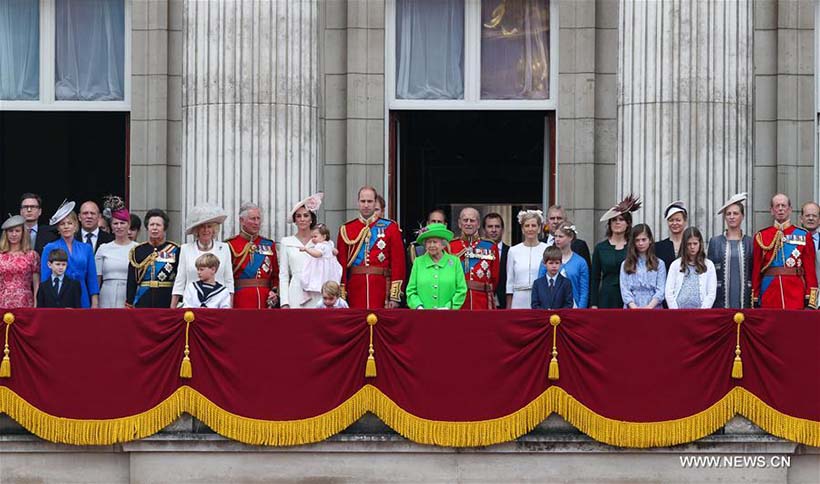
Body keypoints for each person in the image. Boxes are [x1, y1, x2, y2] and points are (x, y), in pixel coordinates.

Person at [337, 186, 406, 309]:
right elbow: (341, 265)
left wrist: (394, 296)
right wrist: (342, 294)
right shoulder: (346, 229)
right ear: (358, 203)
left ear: (375, 203)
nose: (366, 205)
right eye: (363, 201)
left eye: (369, 201)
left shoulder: (390, 227)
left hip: (382, 288)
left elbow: (398, 263)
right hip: (355, 289)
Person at [752, 194, 818, 309]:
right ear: (772, 211)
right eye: (777, 206)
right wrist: (755, 296)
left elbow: (810, 270)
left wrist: (810, 300)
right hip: (769, 292)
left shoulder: (803, 235)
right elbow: (756, 270)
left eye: (784, 205)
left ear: (790, 210)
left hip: (795, 293)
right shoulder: (761, 236)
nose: (781, 209)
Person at [171, 204, 233, 308]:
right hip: (192, 304)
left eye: (209, 226)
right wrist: (172, 308)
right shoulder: (186, 249)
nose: (206, 230)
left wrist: (229, 308)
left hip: (218, 305)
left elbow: (229, 281)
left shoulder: (224, 248)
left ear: (214, 229)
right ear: (196, 230)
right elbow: (180, 281)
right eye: (202, 227)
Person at [41, 201, 99, 308]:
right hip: (58, 295)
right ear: (58, 228)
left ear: (76, 225)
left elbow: (92, 277)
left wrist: (94, 302)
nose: (66, 227)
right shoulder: (50, 247)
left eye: (70, 223)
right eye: (62, 224)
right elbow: (45, 278)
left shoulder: (86, 248)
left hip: (82, 295)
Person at [226, 202, 279, 309]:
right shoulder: (230, 245)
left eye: (258, 219)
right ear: (242, 221)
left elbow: (275, 274)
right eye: (252, 219)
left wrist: (274, 292)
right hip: (240, 298)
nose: (256, 222)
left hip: (266, 300)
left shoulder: (269, 244)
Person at [591, 194, 641, 308]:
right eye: (614, 220)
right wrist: (593, 303)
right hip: (607, 296)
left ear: (628, 224)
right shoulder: (600, 248)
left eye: (621, 219)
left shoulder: (633, 246)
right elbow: (595, 278)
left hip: (631, 297)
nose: (617, 222)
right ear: (609, 224)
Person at [706, 193, 753, 309]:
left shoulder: (751, 242)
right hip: (719, 299)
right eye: (728, 214)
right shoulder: (715, 242)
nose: (732, 217)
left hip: (745, 298)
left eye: (735, 213)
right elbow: (709, 273)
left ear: (742, 216)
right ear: (725, 217)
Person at [447, 207, 499, 310]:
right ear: (459, 223)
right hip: (456, 301)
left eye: (472, 220)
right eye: (465, 220)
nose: (468, 223)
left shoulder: (490, 246)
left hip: (482, 301)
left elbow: (495, 278)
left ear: (478, 224)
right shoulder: (450, 246)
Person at [126, 209, 179, 308]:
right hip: (143, 298)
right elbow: (132, 280)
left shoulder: (175, 250)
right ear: (147, 228)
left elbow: (180, 278)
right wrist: (129, 301)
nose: (154, 228)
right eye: (152, 225)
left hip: (166, 299)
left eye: (158, 225)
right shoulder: (138, 251)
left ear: (164, 228)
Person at [406, 223, 466, 310]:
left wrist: (448, 307)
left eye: (435, 242)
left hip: (448, 316)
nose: (431, 245)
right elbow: (411, 291)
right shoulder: (418, 262)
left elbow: (461, 290)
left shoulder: (455, 262)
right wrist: (418, 307)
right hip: (423, 316)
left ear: (443, 244)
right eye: (428, 242)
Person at [280, 193, 324, 308]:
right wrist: (284, 302)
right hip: (295, 292)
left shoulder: (320, 242)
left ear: (311, 219)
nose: (302, 219)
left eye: (306, 215)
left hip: (317, 291)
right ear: (295, 220)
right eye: (298, 216)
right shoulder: (286, 242)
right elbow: (284, 275)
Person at [95, 197, 138, 308]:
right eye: (115, 223)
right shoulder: (103, 249)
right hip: (106, 294)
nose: (119, 226)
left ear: (128, 225)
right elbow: (97, 279)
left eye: (122, 223)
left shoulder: (137, 248)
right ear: (111, 226)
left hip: (129, 295)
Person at [538, 222, 589, 308]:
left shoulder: (580, 262)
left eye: (561, 236)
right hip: (550, 307)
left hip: (574, 306)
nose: (557, 239)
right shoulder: (547, 258)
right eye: (555, 236)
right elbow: (540, 283)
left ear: (571, 237)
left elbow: (583, 290)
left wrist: (581, 309)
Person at [505, 210, 547, 309]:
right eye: (527, 226)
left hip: (541, 297)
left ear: (539, 228)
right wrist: (509, 306)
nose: (530, 229)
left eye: (533, 225)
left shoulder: (546, 249)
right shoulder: (513, 250)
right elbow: (510, 280)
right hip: (519, 298)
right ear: (522, 229)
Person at [666, 227, 717, 309]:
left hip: (700, 312)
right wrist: (674, 310)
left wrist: (703, 310)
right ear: (684, 245)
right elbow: (669, 292)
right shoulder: (675, 265)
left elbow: (711, 292)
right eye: (689, 244)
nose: (692, 247)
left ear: (700, 244)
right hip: (678, 312)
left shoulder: (708, 265)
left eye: (695, 243)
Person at [620, 224, 666, 309]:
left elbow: (661, 290)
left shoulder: (659, 264)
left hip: (654, 307)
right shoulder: (626, 264)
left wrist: (649, 307)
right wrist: (634, 308)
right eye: (637, 240)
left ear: (650, 240)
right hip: (632, 308)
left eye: (644, 240)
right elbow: (625, 290)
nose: (640, 243)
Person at [0, 215, 40, 308]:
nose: (14, 234)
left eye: (17, 231)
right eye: (10, 231)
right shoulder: (1, 256)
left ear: (23, 233)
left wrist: (36, 305)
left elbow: (36, 284)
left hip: (25, 303)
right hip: (2, 303)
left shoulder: (32, 255)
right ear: (6, 234)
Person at [300, 223, 343, 300]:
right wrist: (332, 251)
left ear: (324, 236)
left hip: (321, 268)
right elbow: (336, 252)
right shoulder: (330, 243)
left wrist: (307, 250)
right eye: (312, 237)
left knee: (310, 277)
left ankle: (307, 293)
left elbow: (317, 254)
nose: (313, 239)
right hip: (329, 268)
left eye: (315, 236)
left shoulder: (321, 246)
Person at [484, 212, 510, 309]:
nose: (494, 230)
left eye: (497, 226)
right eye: (490, 226)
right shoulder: (477, 252)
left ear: (502, 229)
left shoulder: (511, 252)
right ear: (484, 229)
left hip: (504, 304)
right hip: (483, 302)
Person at [655, 200, 688, 271]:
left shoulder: (691, 245)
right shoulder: (658, 247)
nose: (674, 223)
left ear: (685, 221)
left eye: (678, 220)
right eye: (671, 220)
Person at [800, 201, 820, 287]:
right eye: (807, 215)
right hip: (799, 289)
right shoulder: (792, 240)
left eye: (814, 216)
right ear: (801, 219)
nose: (811, 218)